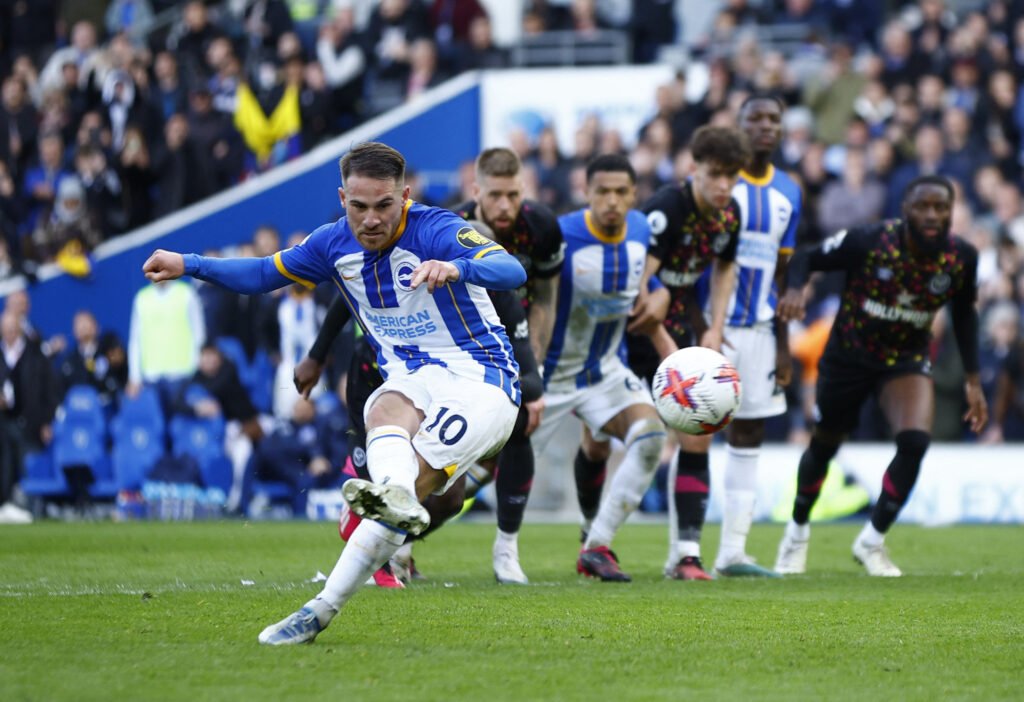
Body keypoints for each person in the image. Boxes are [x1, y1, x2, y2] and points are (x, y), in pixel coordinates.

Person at [142, 141, 525, 644]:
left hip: (484, 380)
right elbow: (262, 274)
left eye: (384, 205)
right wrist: (189, 263)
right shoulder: (332, 244)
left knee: (409, 496)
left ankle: (320, 609)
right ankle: (393, 495)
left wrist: (458, 268)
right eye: (359, 206)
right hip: (414, 377)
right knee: (381, 410)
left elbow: (511, 271)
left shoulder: (439, 229)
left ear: (404, 197)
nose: (371, 219)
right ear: (342, 198)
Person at [297, 219, 545, 586]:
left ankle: (392, 547)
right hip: (376, 374)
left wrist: (506, 390)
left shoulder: (498, 294)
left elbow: (527, 370)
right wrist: (317, 356)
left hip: (447, 391)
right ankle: (377, 560)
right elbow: (343, 298)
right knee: (386, 477)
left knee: (448, 500)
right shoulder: (422, 271)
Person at [774, 176, 987, 577]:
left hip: (904, 361)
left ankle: (872, 540)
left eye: (941, 208)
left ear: (951, 212)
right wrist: (795, 290)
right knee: (824, 447)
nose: (932, 215)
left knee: (915, 441)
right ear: (905, 209)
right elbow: (805, 257)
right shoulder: (869, 241)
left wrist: (973, 380)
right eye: (923, 206)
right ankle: (797, 532)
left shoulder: (962, 257)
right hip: (848, 357)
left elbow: (964, 316)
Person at [530, 153, 669, 582]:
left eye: (620, 192)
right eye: (602, 191)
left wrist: (658, 294)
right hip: (548, 373)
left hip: (604, 369)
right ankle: (398, 546)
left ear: (633, 195)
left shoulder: (642, 229)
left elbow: (644, 278)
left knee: (649, 438)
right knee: (483, 470)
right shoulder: (561, 233)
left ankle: (597, 545)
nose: (611, 200)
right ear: (585, 193)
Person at [629, 125, 752, 580]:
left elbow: (724, 269)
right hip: (631, 327)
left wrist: (715, 329)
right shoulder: (668, 209)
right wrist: (673, 354)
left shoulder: (729, 215)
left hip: (677, 323)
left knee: (698, 432)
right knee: (603, 441)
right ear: (694, 169)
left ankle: (686, 555)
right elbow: (641, 290)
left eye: (732, 177)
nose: (724, 186)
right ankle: (592, 542)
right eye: (716, 175)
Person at [692, 95, 802, 577]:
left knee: (750, 433)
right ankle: (685, 552)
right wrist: (698, 326)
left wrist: (783, 344)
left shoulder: (790, 192)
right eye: (754, 119)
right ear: (737, 126)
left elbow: (784, 272)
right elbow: (696, 261)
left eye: (773, 119)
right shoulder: (721, 187)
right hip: (711, 326)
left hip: (759, 328)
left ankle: (733, 552)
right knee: (693, 435)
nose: (765, 127)